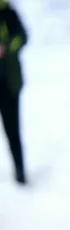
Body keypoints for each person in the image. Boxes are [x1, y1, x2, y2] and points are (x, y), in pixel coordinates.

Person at [0, 0, 26, 185]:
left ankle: (20, 170)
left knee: (12, 130)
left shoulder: (8, 13)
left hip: (9, 82)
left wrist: (6, 47)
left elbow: (23, 37)